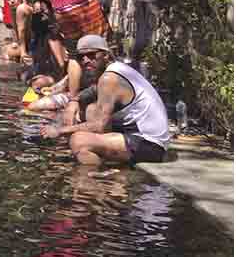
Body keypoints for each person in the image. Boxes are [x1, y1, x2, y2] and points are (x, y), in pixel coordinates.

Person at [40, 34, 170, 165]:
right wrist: (74, 101)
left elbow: (99, 126)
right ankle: (102, 159)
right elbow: (93, 90)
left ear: (106, 55)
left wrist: (59, 130)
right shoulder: (115, 69)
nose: (85, 60)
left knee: (79, 141)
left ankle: (95, 180)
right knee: (90, 110)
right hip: (141, 137)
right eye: (81, 57)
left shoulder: (109, 78)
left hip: (150, 145)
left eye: (91, 55)